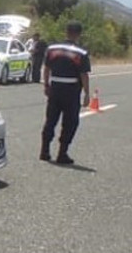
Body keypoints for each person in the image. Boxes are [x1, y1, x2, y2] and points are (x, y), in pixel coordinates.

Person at [40, 21, 91, 165]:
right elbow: (83, 74)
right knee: (70, 123)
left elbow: (46, 68)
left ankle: (44, 151)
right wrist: (86, 93)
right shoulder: (81, 53)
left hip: (55, 87)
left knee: (50, 120)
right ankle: (62, 153)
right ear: (79, 34)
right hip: (71, 90)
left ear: (66, 31)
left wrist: (46, 84)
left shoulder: (52, 48)